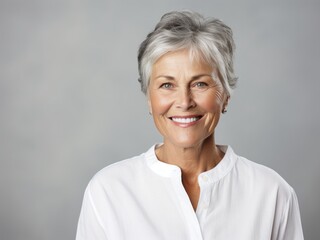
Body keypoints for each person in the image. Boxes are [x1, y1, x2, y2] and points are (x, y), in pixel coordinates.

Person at [76, 10, 304, 240]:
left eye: (200, 84)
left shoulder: (272, 194)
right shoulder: (108, 192)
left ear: (225, 95)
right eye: (167, 85)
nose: (184, 102)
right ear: (149, 98)